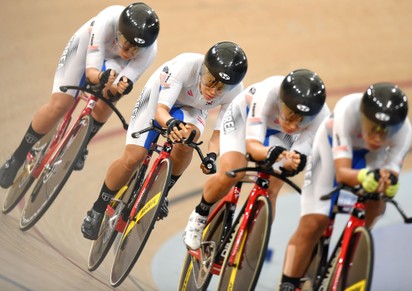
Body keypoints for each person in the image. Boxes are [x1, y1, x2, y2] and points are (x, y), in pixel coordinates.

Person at [80, 41, 248, 240]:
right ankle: (98, 208)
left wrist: (211, 156)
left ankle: (163, 191)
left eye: (222, 87)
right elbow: (160, 111)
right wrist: (170, 123)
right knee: (133, 158)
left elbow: (218, 135)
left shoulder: (236, 93)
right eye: (211, 80)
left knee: (190, 139)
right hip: (160, 97)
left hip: (192, 109)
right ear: (204, 69)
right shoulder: (185, 67)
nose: (213, 90)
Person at [0, 2, 160, 189]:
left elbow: (120, 86)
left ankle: (83, 142)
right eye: (126, 45)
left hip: (113, 64)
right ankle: (17, 157)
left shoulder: (149, 52)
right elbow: (92, 74)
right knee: (60, 104)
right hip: (86, 48)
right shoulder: (107, 21)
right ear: (119, 33)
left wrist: (119, 86)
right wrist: (101, 76)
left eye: (135, 50)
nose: (128, 53)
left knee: (110, 97)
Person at [278, 82, 412, 290]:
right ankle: (288, 283)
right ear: (362, 116)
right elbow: (342, 174)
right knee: (315, 221)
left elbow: (390, 174)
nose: (377, 137)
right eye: (372, 127)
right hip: (331, 149)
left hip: (370, 157)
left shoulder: (405, 131)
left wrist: (387, 184)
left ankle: (354, 244)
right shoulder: (347, 110)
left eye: (386, 131)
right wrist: (366, 177)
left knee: (377, 202)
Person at [183, 69, 331, 251]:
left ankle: (253, 243)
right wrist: (271, 153)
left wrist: (294, 161)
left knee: (273, 187)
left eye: (301, 120)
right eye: (288, 114)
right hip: (244, 119)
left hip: (279, 134)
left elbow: (301, 153)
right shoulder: (268, 92)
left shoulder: (322, 116)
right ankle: (200, 214)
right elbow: (252, 145)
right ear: (280, 101)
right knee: (232, 171)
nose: (293, 125)